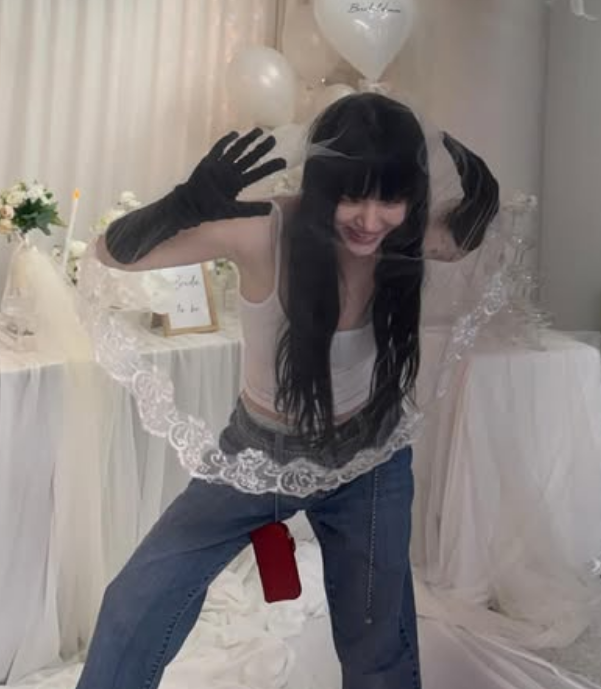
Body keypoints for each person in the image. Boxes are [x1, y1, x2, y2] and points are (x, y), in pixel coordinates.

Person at [76, 92, 499, 689]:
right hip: (258, 455)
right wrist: (184, 203)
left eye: (390, 198)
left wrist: (468, 170)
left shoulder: (407, 239)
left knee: (377, 639)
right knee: (136, 601)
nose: (370, 220)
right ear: (323, 186)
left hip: (369, 459)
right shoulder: (264, 231)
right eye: (352, 195)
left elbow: (472, 228)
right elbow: (111, 254)